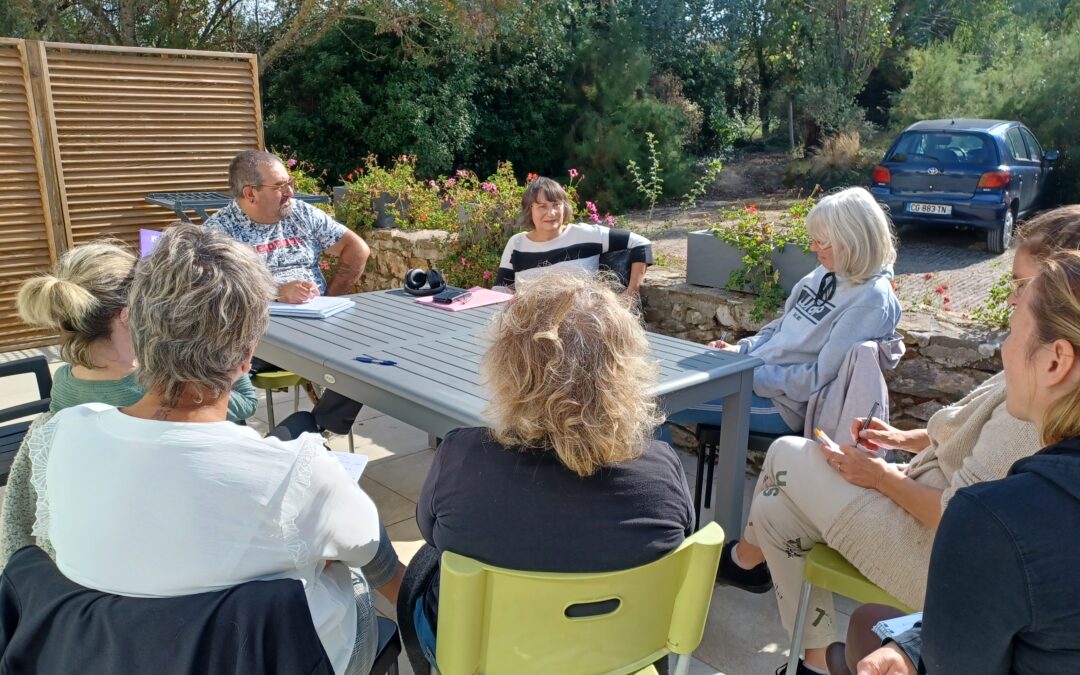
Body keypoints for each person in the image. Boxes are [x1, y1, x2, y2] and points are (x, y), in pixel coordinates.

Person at [718, 206, 1080, 675]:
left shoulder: (1037, 414)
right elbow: (969, 445)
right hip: (927, 509)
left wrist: (879, 475)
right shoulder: (1048, 386)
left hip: (929, 547)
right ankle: (811, 658)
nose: (1010, 305)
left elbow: (964, 514)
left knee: (786, 457)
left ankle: (747, 562)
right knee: (775, 505)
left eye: (1019, 290)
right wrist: (904, 438)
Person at [25, 224, 399, 675]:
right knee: (355, 571)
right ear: (247, 357)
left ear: (137, 332)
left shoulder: (61, 434)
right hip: (278, 659)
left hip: (105, 656)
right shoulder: (299, 473)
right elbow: (380, 566)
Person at [410, 271, 694, 664]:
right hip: (620, 656)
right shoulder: (662, 470)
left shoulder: (462, 456)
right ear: (625, 369)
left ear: (508, 366)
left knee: (424, 568)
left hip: (486, 656)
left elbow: (430, 532)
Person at [855, 248, 1080, 675]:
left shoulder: (995, 520)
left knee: (863, 629)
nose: (1003, 353)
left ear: (1055, 361)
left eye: (1012, 332)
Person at [1, 241, 258, 567]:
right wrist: (230, 346)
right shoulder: (150, 390)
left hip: (102, 524)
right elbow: (246, 403)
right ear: (129, 314)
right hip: (175, 524)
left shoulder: (66, 378)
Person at [665, 187, 901, 436]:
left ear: (852, 240)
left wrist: (746, 374)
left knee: (652, 407)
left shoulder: (871, 299)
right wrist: (741, 350)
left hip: (783, 406)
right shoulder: (826, 271)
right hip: (753, 378)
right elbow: (779, 329)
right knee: (654, 394)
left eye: (821, 242)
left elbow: (819, 378)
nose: (812, 248)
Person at [204, 149, 370, 434]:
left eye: (289, 183)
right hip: (255, 337)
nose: (290, 192)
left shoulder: (300, 213)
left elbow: (357, 249)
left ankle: (318, 426)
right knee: (215, 366)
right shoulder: (218, 233)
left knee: (368, 351)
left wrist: (329, 298)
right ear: (250, 193)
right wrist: (276, 292)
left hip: (317, 325)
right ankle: (239, 445)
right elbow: (210, 290)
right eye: (280, 186)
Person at [492, 177, 653, 295]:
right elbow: (500, 290)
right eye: (542, 206)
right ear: (529, 210)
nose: (551, 213)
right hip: (530, 330)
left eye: (556, 205)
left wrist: (631, 294)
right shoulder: (517, 244)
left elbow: (641, 243)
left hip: (581, 329)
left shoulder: (587, 235)